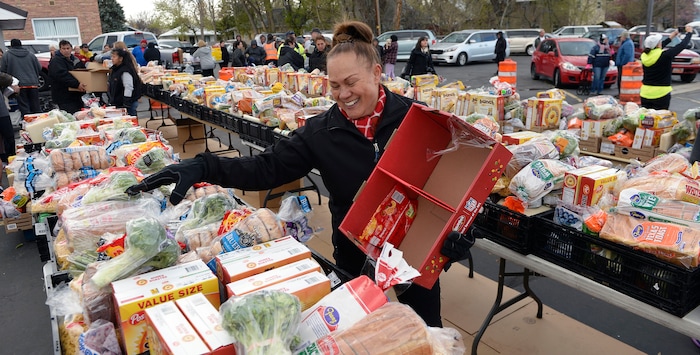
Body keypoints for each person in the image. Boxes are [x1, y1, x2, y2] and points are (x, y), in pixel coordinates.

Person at [126, 20, 472, 327]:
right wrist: (205, 165)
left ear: (378, 73)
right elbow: (265, 169)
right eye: (334, 85)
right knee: (358, 334)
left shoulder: (419, 121)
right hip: (354, 254)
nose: (343, 94)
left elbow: (457, 185)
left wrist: (459, 232)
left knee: (429, 334)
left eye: (351, 82)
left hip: (415, 255)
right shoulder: (322, 131)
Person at [640, 27, 693, 110]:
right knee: (660, 120)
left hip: (645, 93)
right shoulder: (665, 56)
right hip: (661, 93)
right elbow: (682, 45)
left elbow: (656, 48)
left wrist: (672, 36)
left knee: (645, 118)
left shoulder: (644, 56)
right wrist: (689, 33)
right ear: (658, 44)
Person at [1, 39, 42, 117]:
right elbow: (39, 68)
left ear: (11, 45)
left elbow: (3, 71)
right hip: (33, 84)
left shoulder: (7, 55)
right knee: (36, 107)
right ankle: (38, 124)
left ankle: (28, 124)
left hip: (18, 86)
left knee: (24, 107)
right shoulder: (31, 54)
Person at [48, 40, 87, 114]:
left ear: (71, 49)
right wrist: (76, 84)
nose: (66, 50)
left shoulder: (76, 60)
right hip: (63, 96)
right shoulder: (56, 61)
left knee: (79, 114)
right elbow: (62, 76)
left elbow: (83, 72)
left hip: (76, 95)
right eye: (63, 48)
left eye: (68, 48)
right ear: (60, 49)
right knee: (69, 116)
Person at [108, 48, 142, 116]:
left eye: (114, 57)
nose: (112, 58)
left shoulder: (125, 70)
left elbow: (128, 86)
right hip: (118, 102)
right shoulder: (115, 69)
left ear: (120, 58)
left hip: (127, 102)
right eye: (111, 56)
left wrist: (126, 102)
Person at [0, 72, 19, 165]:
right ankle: (9, 159)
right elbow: (7, 79)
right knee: (8, 136)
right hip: (1, 113)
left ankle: (7, 158)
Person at [614, 31, 635, 96]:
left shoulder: (627, 44)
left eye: (621, 37)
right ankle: (620, 93)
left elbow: (627, 55)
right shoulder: (626, 43)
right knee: (621, 79)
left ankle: (621, 93)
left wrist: (622, 63)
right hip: (624, 64)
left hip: (624, 65)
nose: (620, 38)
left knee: (621, 80)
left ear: (624, 37)